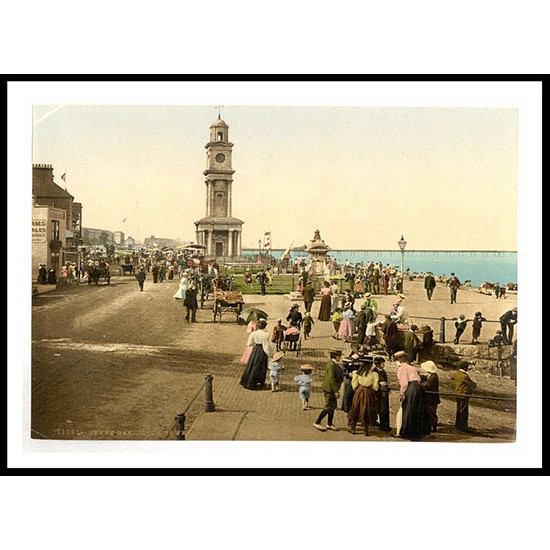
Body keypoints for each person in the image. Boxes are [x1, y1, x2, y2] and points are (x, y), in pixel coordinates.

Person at [394, 351, 431, 440]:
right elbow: (418, 379)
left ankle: (408, 432)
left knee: (408, 409)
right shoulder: (412, 367)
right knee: (418, 409)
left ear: (399, 360)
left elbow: (404, 383)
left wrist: (402, 393)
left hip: (410, 388)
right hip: (418, 388)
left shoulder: (401, 368)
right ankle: (418, 432)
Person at [313, 349, 344, 431]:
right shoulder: (331, 365)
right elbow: (331, 379)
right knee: (328, 406)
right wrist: (336, 391)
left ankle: (329, 424)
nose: (340, 357)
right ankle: (317, 422)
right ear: (336, 356)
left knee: (332, 407)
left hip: (331, 389)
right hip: (329, 389)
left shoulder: (334, 363)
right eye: (339, 356)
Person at [240, 319, 275, 390]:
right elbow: (266, 346)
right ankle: (260, 382)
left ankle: (248, 381)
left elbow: (249, 343)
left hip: (255, 350)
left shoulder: (254, 333)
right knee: (261, 367)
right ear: (265, 326)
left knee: (252, 365)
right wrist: (271, 354)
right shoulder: (266, 335)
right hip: (261, 351)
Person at [347, 359, 379, 436]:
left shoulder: (357, 373)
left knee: (356, 408)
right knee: (367, 410)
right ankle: (366, 430)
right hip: (368, 392)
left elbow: (354, 385)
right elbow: (375, 387)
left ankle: (353, 429)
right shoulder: (374, 374)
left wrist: (357, 388)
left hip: (359, 391)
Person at [451, 362, 477, 432]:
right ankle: (463, 427)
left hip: (458, 394)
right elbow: (473, 385)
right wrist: (474, 382)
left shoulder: (456, 374)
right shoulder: (465, 376)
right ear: (465, 368)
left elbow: (452, 377)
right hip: (464, 395)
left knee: (459, 409)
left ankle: (457, 424)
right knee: (464, 411)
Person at [419, 360, 441, 433]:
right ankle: (431, 426)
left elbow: (427, 386)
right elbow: (426, 377)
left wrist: (419, 385)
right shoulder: (432, 375)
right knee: (431, 412)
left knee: (432, 413)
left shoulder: (433, 377)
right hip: (432, 398)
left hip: (432, 399)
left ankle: (434, 428)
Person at [372, 357, 391, 431]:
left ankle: (385, 425)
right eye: (382, 363)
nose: (384, 365)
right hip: (378, 393)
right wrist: (380, 384)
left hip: (384, 392)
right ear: (378, 364)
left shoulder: (383, 371)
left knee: (384, 409)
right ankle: (382, 425)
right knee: (381, 409)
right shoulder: (374, 372)